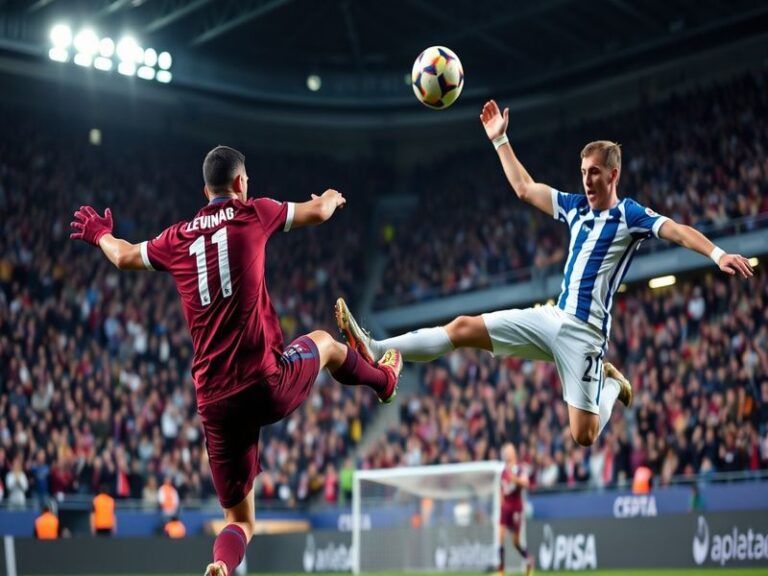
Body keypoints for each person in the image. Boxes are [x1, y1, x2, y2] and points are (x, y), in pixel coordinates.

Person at [335, 99, 753, 448]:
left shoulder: (630, 215)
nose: (587, 181)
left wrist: (716, 254)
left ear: (613, 175)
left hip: (586, 335)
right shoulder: (574, 206)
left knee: (583, 436)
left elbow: (676, 231)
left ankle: (612, 385)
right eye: (583, 172)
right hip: (553, 316)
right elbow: (524, 188)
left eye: (594, 173)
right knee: (462, 327)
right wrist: (500, 139)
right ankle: (375, 347)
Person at [70, 145, 402, 576]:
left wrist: (99, 234)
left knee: (241, 521)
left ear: (204, 189)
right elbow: (317, 213)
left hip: (215, 403)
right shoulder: (254, 213)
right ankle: (385, 381)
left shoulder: (178, 237)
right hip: (265, 383)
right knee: (325, 342)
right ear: (242, 184)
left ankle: (221, 566)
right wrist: (332, 198)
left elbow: (123, 255)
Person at [497, 443, 533, 576]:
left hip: (516, 508)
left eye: (508, 451)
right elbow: (502, 489)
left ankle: (528, 559)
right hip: (505, 508)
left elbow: (526, 483)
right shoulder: (503, 472)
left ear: (513, 453)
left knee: (515, 542)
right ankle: (501, 571)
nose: (506, 453)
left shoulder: (519, 469)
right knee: (500, 536)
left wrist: (515, 480)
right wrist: (501, 503)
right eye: (505, 451)